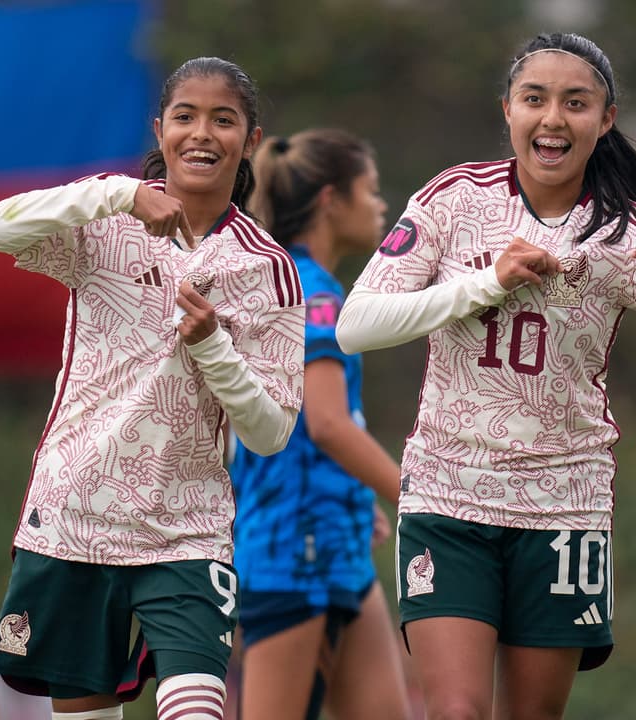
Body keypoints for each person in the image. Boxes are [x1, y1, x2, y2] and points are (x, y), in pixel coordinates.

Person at [335, 32, 636, 720]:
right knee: (455, 712)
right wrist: (485, 284)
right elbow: (357, 324)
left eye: (576, 103)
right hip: (449, 496)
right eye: (534, 99)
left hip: (563, 508)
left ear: (606, 120)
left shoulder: (629, 236)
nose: (553, 118)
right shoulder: (454, 199)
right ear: (507, 109)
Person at [0, 56, 305, 720]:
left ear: (252, 141)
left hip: (186, 533)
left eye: (223, 119)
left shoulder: (267, 269)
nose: (202, 134)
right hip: (74, 520)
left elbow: (270, 434)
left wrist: (212, 345)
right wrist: (118, 193)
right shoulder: (104, 225)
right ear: (160, 130)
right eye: (185, 116)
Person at [228, 128, 409, 720]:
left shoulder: (310, 285)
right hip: (290, 552)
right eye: (371, 190)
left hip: (339, 544)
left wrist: (355, 496)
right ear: (332, 200)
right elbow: (327, 424)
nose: (382, 205)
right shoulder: (312, 293)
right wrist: (417, 499)